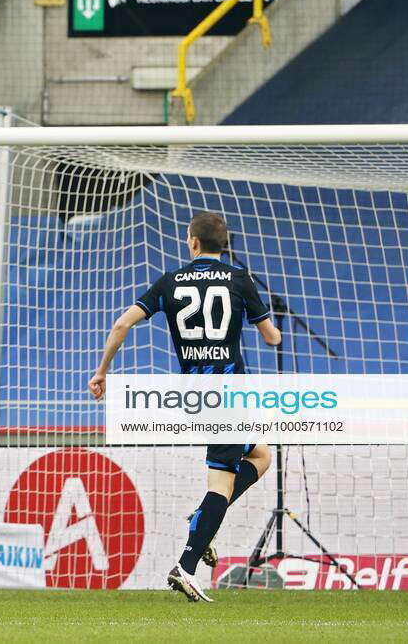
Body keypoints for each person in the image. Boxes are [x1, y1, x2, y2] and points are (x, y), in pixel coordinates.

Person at [88, 211, 281, 603]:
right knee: (221, 484)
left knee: (260, 456)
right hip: (228, 394)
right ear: (222, 244)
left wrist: (102, 372)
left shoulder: (171, 281)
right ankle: (188, 565)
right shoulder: (239, 280)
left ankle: (200, 523)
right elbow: (271, 338)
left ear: (192, 241)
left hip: (193, 394)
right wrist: (269, 325)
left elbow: (122, 324)